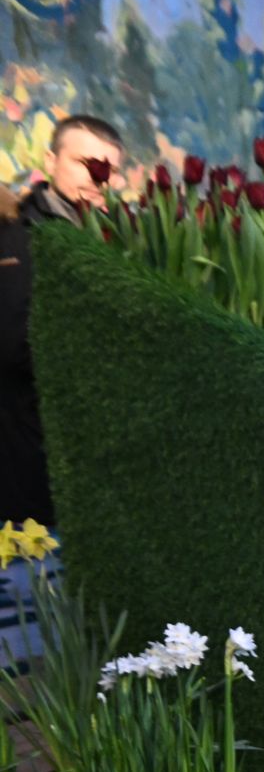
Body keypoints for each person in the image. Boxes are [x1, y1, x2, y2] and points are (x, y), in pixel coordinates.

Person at [3, 115, 125, 528]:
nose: (97, 178)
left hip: (101, 478)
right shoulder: (15, 237)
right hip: (26, 472)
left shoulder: (124, 243)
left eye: (108, 168)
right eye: (84, 162)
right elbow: (15, 347)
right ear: (51, 159)